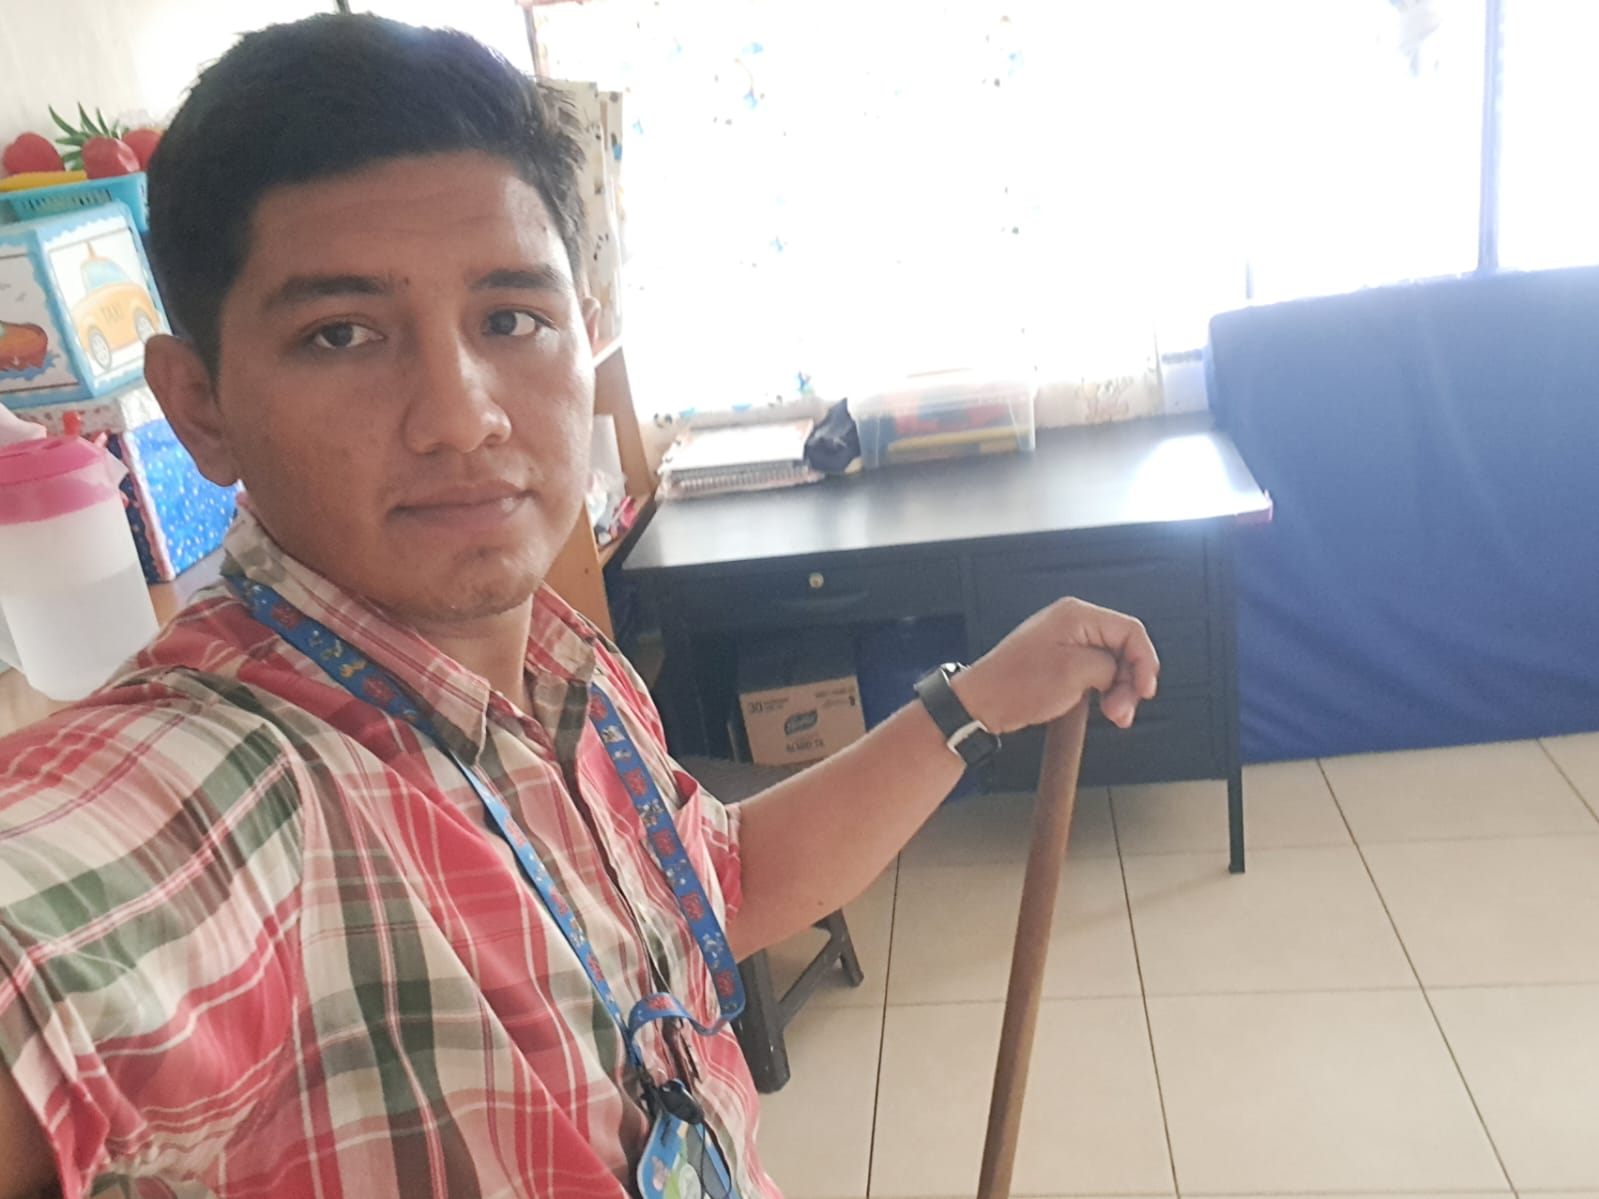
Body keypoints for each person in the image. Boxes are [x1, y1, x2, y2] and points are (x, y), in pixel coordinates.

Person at [0, 15, 1158, 1199]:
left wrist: (980, 696)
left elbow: (722, 887)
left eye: (511, 318)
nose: (463, 415)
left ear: (584, 333)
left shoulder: (568, 668)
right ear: (200, 406)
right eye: (340, 334)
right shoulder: (237, 783)